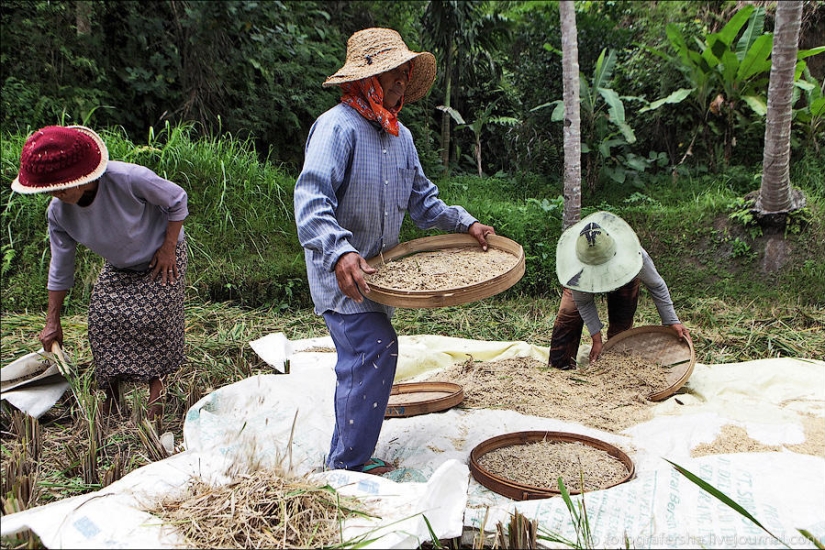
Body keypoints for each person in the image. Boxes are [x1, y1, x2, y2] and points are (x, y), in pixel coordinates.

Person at [293, 28, 496, 476]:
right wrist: (340, 252)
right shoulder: (336, 128)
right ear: (368, 81)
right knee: (373, 349)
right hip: (342, 274)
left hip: (381, 277)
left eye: (404, 74)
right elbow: (310, 201)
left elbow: (424, 202)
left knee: (367, 356)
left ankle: (352, 453)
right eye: (392, 76)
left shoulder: (399, 137)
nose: (401, 84)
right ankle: (345, 468)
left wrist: (466, 223)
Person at [11, 125, 189, 420]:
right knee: (103, 320)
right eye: (51, 190)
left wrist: (169, 247)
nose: (58, 194)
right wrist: (52, 320)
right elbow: (61, 266)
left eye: (63, 186)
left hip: (161, 257)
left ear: (84, 176)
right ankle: (113, 395)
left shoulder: (129, 178)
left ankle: (157, 396)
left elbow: (177, 200)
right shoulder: (58, 213)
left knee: (153, 319)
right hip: (119, 265)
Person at [549, 211, 691, 369]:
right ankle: (559, 369)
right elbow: (584, 303)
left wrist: (672, 320)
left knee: (621, 326)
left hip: (624, 279)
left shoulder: (635, 257)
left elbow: (656, 285)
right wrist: (597, 340)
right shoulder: (575, 269)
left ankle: (615, 367)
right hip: (583, 279)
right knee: (568, 315)